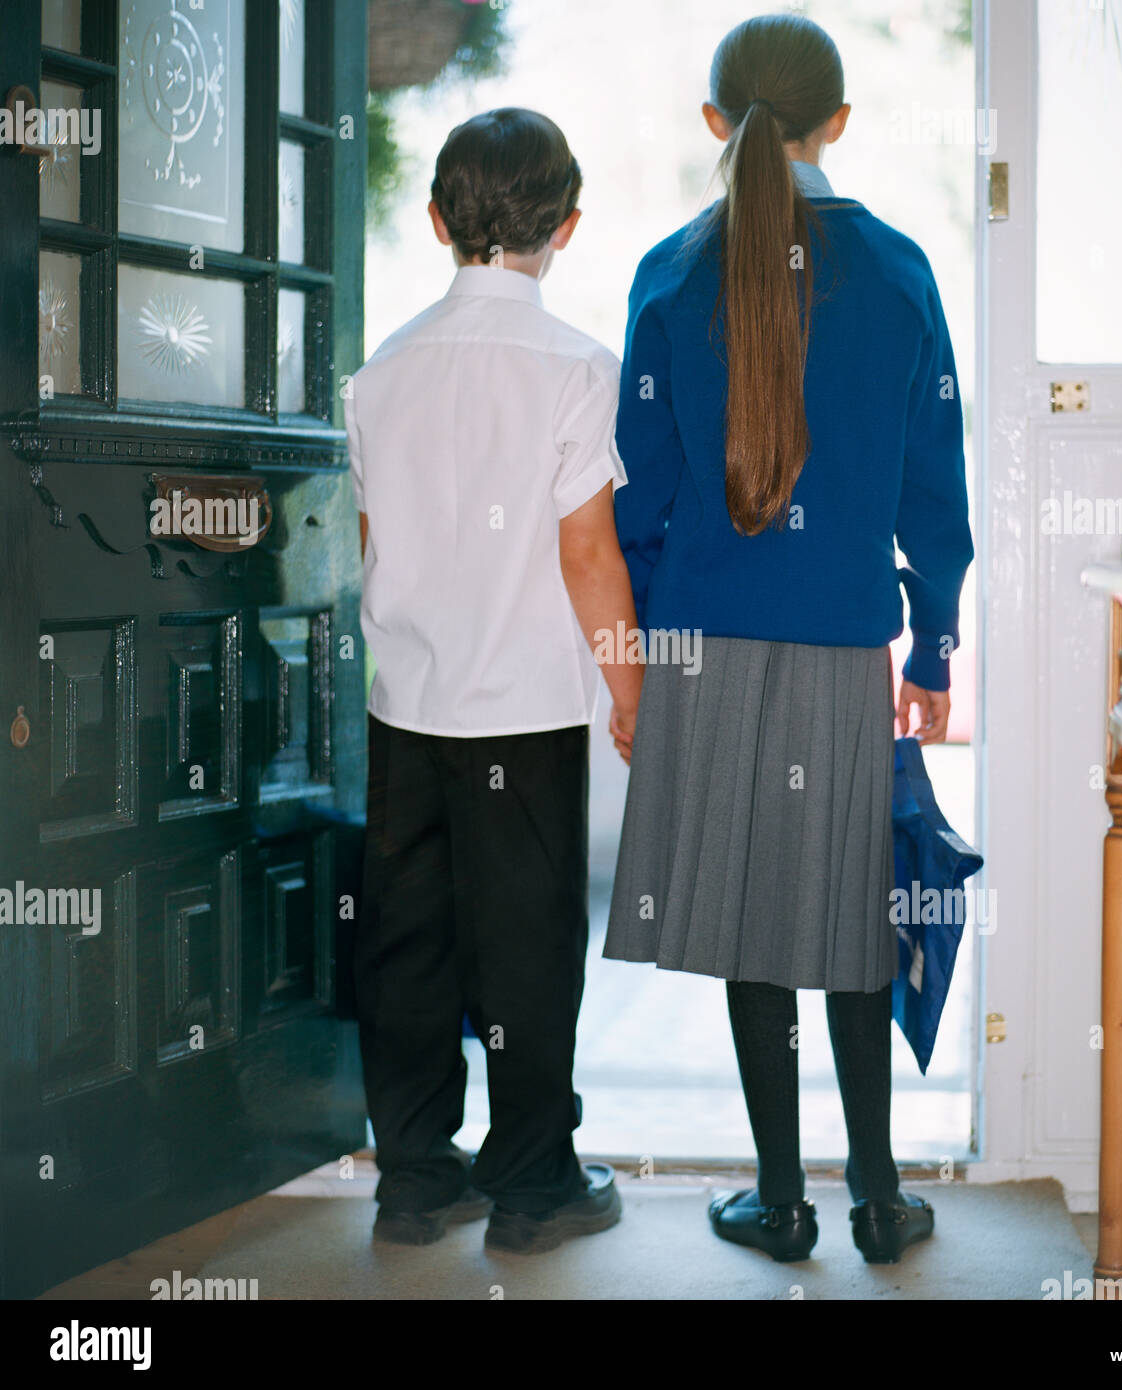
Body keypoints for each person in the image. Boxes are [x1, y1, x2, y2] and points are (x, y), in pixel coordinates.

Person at [604, 15, 974, 1265]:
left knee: (754, 920)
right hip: (838, 649)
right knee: (846, 915)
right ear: (840, 123)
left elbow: (637, 500)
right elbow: (934, 489)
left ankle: (780, 1199)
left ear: (717, 125)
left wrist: (651, 655)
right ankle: (876, 1195)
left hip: (703, 646)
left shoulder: (667, 269)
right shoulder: (901, 271)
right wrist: (930, 648)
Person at [345, 107, 642, 1254]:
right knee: (523, 945)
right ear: (565, 225)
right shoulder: (575, 368)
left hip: (406, 701)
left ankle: (416, 1177)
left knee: (407, 942)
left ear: (433, 220)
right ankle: (530, 1185)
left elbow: (375, 535)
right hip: (521, 706)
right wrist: (629, 687)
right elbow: (586, 554)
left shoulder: (382, 373)